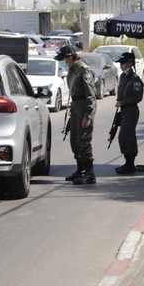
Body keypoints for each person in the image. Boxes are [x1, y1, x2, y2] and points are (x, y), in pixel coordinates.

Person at [56, 45, 97, 184]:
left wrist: (88, 115)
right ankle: (80, 170)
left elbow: (91, 96)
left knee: (84, 140)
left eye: (65, 59)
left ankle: (90, 173)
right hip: (75, 106)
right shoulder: (72, 70)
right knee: (74, 139)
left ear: (70, 57)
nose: (64, 62)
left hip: (84, 106)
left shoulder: (84, 71)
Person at [114, 52, 144, 174]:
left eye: (123, 63)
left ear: (130, 63)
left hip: (131, 110)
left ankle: (130, 163)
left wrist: (123, 102)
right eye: (120, 63)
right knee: (124, 137)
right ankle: (128, 162)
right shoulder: (122, 76)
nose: (121, 65)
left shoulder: (135, 79)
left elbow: (138, 97)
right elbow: (120, 92)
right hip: (124, 111)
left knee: (127, 136)